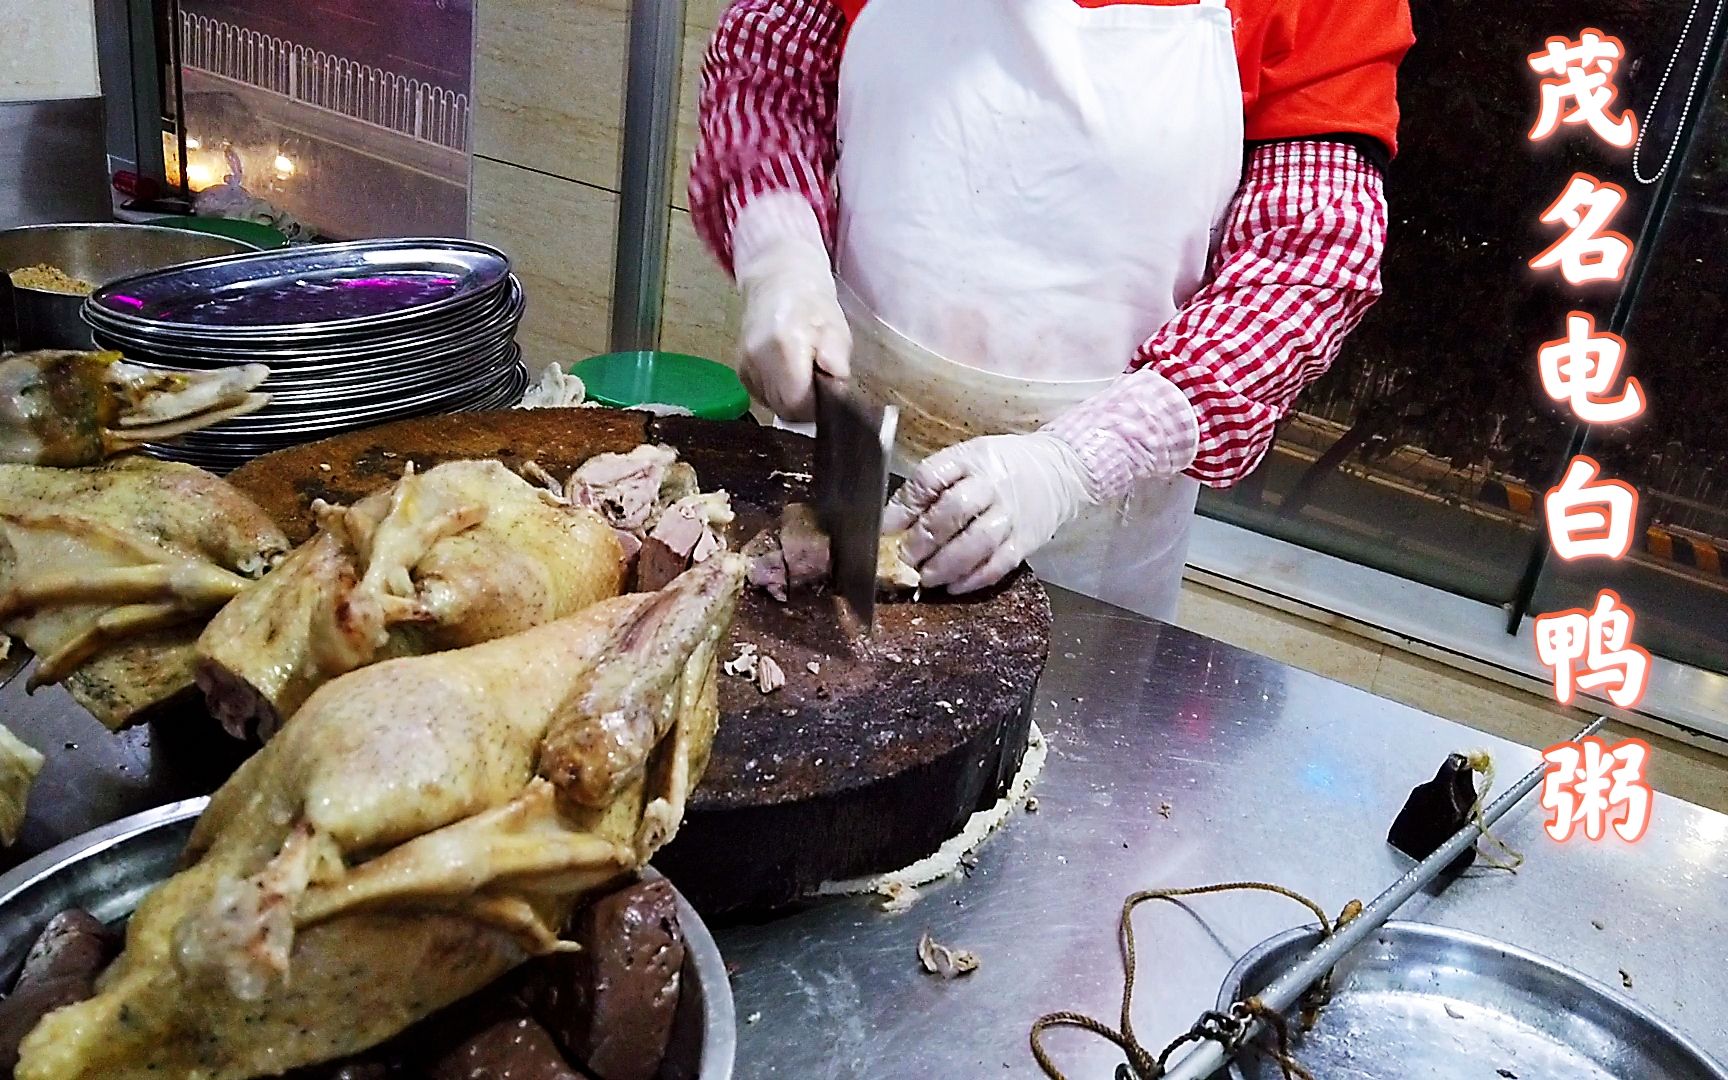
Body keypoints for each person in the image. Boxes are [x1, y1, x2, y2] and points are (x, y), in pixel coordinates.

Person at [690, 0, 1414, 620]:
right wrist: (777, 244)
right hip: (839, 452)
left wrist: (1073, 465)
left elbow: (1308, 255)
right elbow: (772, 66)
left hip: (1094, 516)